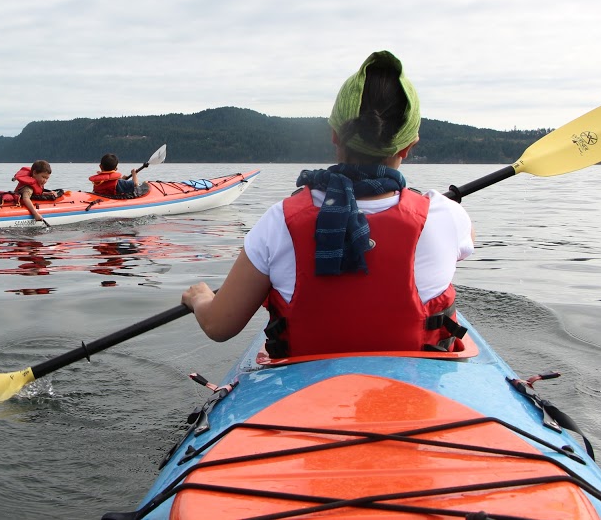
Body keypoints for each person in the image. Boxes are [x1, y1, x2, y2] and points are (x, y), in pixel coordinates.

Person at [181, 51, 475, 358]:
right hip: (415, 394)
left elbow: (219, 325)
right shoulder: (446, 216)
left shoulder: (280, 221)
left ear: (334, 135)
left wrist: (200, 299)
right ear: (410, 146)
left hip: (307, 395)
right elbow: (465, 243)